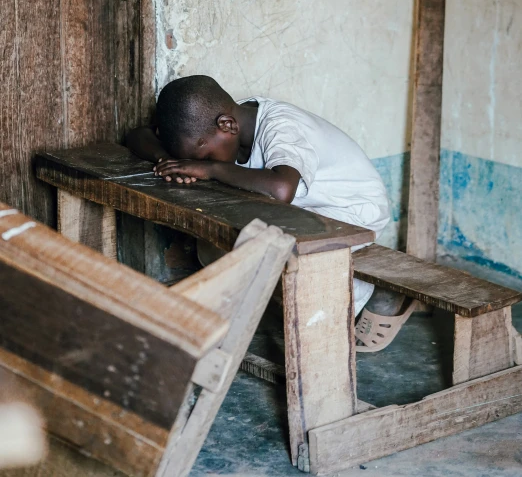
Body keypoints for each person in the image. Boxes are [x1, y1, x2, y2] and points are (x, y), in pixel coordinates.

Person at [127, 75, 416, 349]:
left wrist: (210, 169)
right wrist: (168, 161)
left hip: (352, 212)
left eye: (201, 156)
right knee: (214, 244)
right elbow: (138, 135)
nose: (197, 163)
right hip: (303, 210)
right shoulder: (214, 129)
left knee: (264, 252)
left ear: (227, 125)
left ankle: (374, 296)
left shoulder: (281, 128)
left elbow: (282, 190)